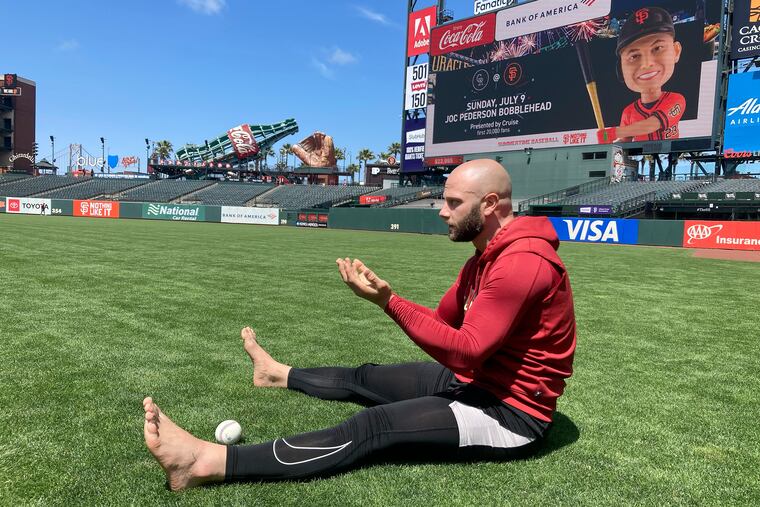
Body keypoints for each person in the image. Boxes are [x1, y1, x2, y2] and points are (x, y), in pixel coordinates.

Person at [142, 159, 577, 490]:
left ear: (488, 205)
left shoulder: (523, 263)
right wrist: (388, 298)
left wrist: (389, 304)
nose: (442, 212)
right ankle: (277, 374)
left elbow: (466, 348)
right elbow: (444, 323)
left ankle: (205, 462)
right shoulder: (485, 257)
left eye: (453, 203)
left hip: (510, 412)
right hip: (475, 380)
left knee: (373, 427)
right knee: (365, 377)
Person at [597, 7, 685, 143]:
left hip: (668, 159)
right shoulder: (628, 112)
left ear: (676, 51)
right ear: (621, 69)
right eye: (634, 56)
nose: (646, 64)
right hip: (639, 162)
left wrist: (613, 132)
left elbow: (652, 124)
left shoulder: (676, 100)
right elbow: (624, 143)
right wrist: (608, 147)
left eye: (657, 48)